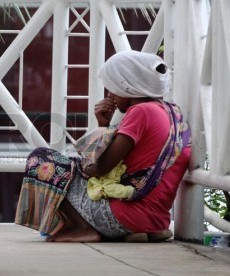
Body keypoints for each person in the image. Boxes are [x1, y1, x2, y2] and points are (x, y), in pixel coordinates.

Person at [15, 50, 191, 243]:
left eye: (113, 88)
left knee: (41, 158)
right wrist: (103, 125)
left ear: (127, 86)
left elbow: (100, 169)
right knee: (75, 167)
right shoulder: (173, 114)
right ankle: (141, 231)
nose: (109, 95)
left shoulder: (140, 112)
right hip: (156, 219)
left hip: (121, 217)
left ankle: (84, 229)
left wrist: (80, 159)